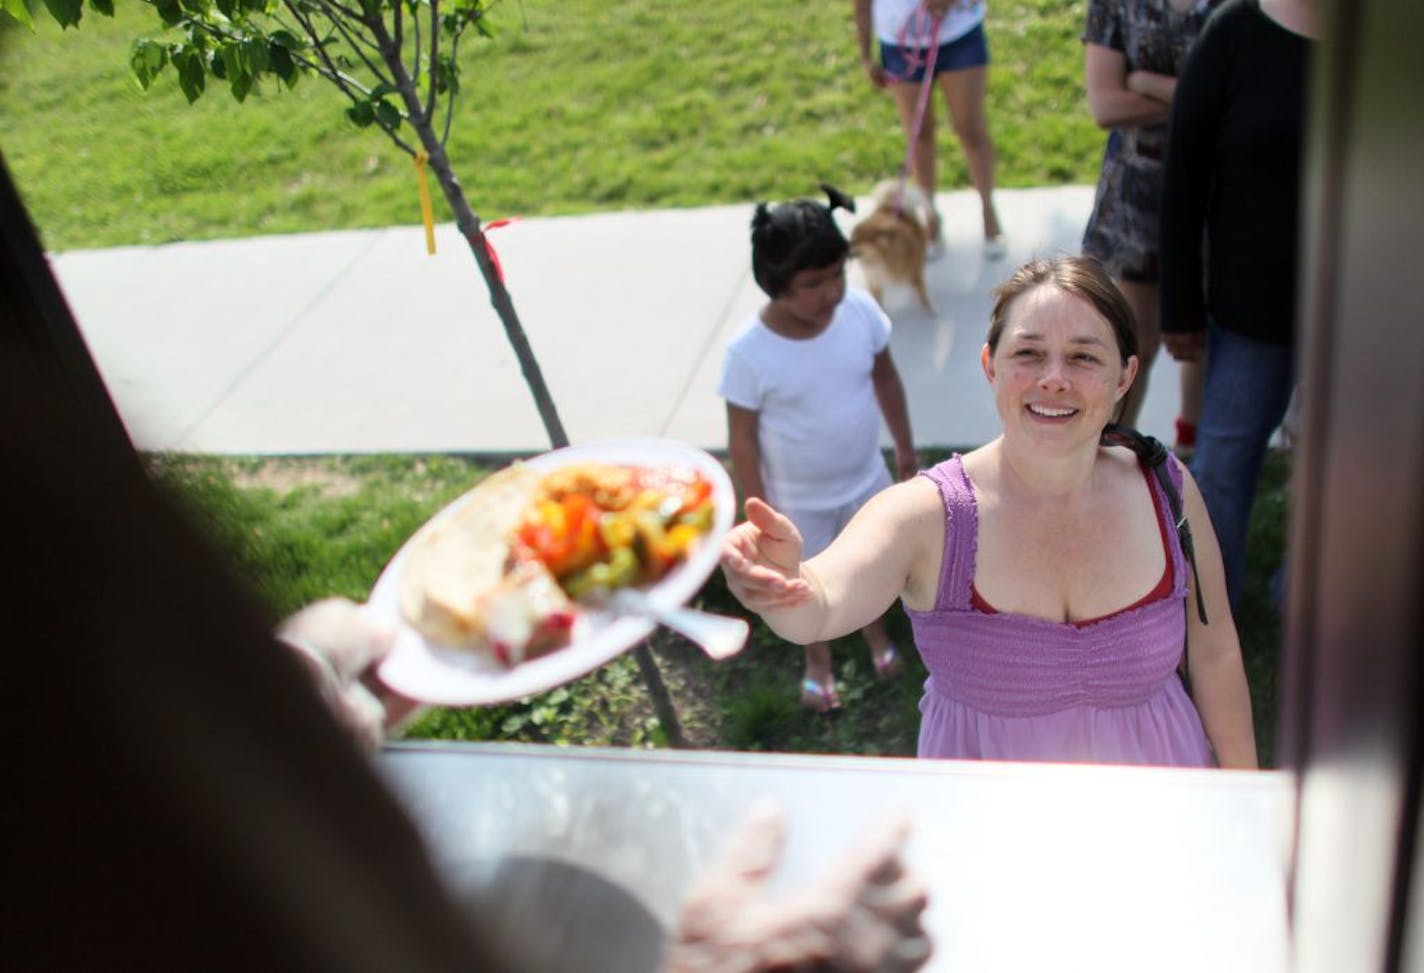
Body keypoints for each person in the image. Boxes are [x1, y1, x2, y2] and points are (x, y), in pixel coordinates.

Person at [1, 155, 937, 971]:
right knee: (804, 585)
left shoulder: (857, 324)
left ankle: (866, 646)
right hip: (793, 511)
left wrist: (304, 677)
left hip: (849, 485)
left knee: (851, 579)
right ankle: (821, 666)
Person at [721, 256, 1258, 769]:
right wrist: (782, 583)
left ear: (1124, 377)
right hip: (987, 842)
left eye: (1084, 357)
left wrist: (1246, 808)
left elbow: (1214, 653)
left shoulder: (1167, 488)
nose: (1053, 378)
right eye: (1028, 354)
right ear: (990, 366)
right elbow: (819, 604)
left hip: (1160, 819)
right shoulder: (927, 515)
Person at [719, 185, 918, 712]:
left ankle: (874, 632)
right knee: (804, 584)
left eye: (838, 275)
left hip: (864, 480)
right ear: (774, 285)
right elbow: (741, 436)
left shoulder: (859, 312)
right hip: (797, 500)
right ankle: (818, 659)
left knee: (865, 566)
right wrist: (760, 507)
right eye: (813, 284)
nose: (831, 292)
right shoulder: (749, 354)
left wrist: (904, 448)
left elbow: (887, 377)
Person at [1158, 0, 1315, 610]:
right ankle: (1206, 613)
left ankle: (1305, 601)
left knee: (1347, 475)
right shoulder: (1234, 31)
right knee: (1222, 469)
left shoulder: (1388, 39)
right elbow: (1184, 178)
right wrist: (1180, 306)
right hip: (1253, 312)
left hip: (1364, 317)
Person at [1080, 0, 1221, 445]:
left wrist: (1145, 82)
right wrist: (1197, 97)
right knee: (1130, 334)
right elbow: (1105, 105)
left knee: (1204, 328)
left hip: (1221, 187)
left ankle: (1191, 448)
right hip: (1137, 194)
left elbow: (1242, 95)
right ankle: (1111, 451)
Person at [854, 0, 1005, 255]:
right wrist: (866, 54)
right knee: (918, 134)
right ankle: (931, 219)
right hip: (899, 39)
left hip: (960, 33)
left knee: (970, 129)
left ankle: (989, 213)